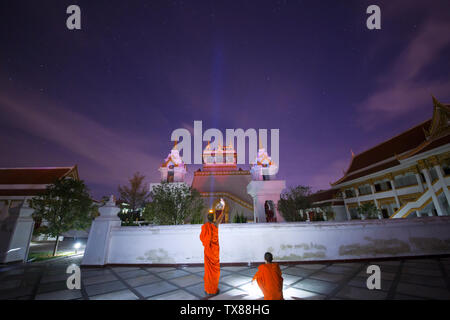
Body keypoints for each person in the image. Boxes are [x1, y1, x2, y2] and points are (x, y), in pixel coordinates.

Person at [200, 211, 225, 295]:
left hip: (208, 251)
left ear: (207, 218)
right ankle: (213, 288)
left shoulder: (205, 227)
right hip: (215, 252)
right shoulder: (215, 225)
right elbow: (222, 215)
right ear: (213, 218)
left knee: (208, 271)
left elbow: (202, 238)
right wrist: (224, 206)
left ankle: (208, 289)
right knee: (215, 272)